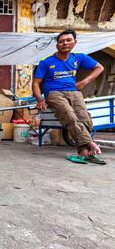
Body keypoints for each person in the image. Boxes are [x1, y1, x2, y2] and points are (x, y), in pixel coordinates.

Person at [33, 29, 105, 163]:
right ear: (57, 45)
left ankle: (83, 152)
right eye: (61, 41)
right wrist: (39, 99)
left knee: (85, 119)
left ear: (74, 42)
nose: (65, 43)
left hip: (74, 92)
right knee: (69, 115)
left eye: (68, 40)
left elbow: (99, 67)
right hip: (54, 93)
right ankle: (90, 144)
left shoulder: (80, 57)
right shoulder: (46, 62)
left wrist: (84, 82)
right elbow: (36, 83)